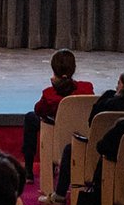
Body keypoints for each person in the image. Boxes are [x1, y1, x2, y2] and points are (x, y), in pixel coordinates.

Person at [21, 48, 93, 181]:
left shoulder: (49, 94)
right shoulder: (86, 88)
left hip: (56, 130)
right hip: (79, 130)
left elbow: (39, 110)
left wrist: (55, 87)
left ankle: (28, 170)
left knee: (30, 117)